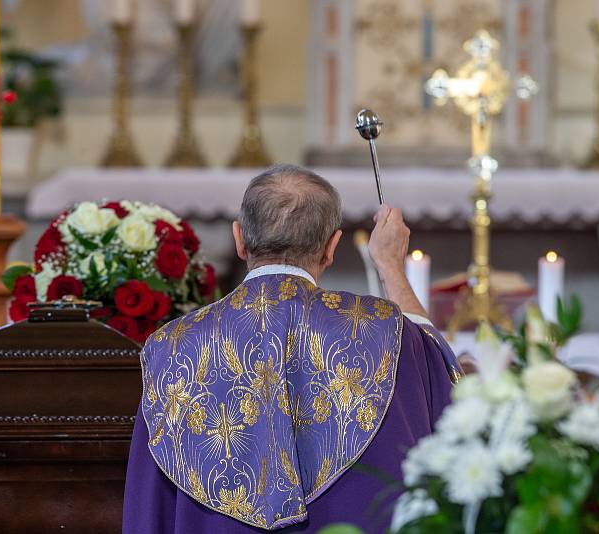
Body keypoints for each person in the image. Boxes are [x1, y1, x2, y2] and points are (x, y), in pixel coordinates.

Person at [123, 164, 460, 533]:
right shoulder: (386, 329)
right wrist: (391, 265)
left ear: (239, 239)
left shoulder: (170, 347)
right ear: (331, 247)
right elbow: (441, 377)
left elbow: (148, 506)